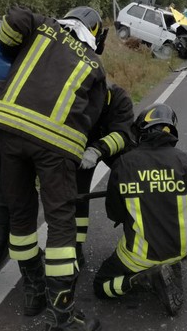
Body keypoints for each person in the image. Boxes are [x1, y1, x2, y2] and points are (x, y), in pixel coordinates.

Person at [0, 5, 107, 330]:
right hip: (55, 147)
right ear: (94, 34)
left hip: (9, 133)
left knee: (21, 216)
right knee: (61, 223)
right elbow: (92, 116)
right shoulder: (94, 64)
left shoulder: (42, 28)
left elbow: (13, 18)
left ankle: (33, 291)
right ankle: (63, 313)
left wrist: (8, 49)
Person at [92, 103, 187, 316]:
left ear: (140, 132)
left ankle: (140, 278)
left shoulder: (124, 165)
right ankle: (168, 265)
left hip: (140, 255)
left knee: (101, 286)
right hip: (180, 250)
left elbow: (114, 213)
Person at [75, 82, 135, 267]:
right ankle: (75, 246)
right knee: (77, 195)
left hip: (116, 147)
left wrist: (96, 150)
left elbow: (123, 135)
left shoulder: (120, 98)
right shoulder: (80, 98)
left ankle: (143, 234)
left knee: (136, 185)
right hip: (83, 146)